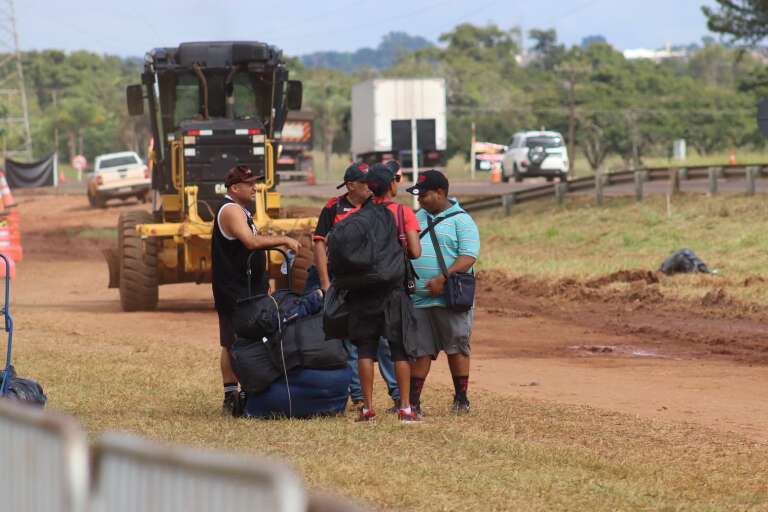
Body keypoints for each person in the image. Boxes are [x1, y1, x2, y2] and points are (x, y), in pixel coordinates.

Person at [212, 165, 301, 414]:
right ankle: (231, 397)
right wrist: (283, 239)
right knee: (232, 342)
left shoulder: (240, 210)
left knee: (245, 340)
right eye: (249, 184)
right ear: (234, 188)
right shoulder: (230, 210)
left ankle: (247, 391)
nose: (255, 188)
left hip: (246, 289)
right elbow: (250, 242)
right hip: (234, 292)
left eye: (255, 182)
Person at [312, 163, 401, 410]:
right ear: (351, 185)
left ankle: (396, 395)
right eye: (365, 182)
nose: (370, 186)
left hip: (376, 283)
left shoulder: (378, 206)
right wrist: (325, 284)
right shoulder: (333, 207)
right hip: (346, 285)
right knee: (351, 341)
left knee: (384, 341)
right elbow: (319, 244)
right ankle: (360, 397)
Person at [345, 163, 422, 423]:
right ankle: (405, 408)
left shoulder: (359, 215)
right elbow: (415, 251)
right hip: (395, 289)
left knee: (366, 349)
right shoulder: (403, 213)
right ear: (391, 185)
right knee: (399, 349)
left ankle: (366, 409)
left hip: (364, 290)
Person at [405, 170, 480, 415]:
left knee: (456, 346)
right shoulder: (418, 217)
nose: (420, 200)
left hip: (450, 297)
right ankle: (413, 403)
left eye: (424, 195)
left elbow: (468, 256)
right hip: (420, 298)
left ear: (439, 193)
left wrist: (442, 279)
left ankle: (461, 399)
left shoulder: (462, 220)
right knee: (421, 350)